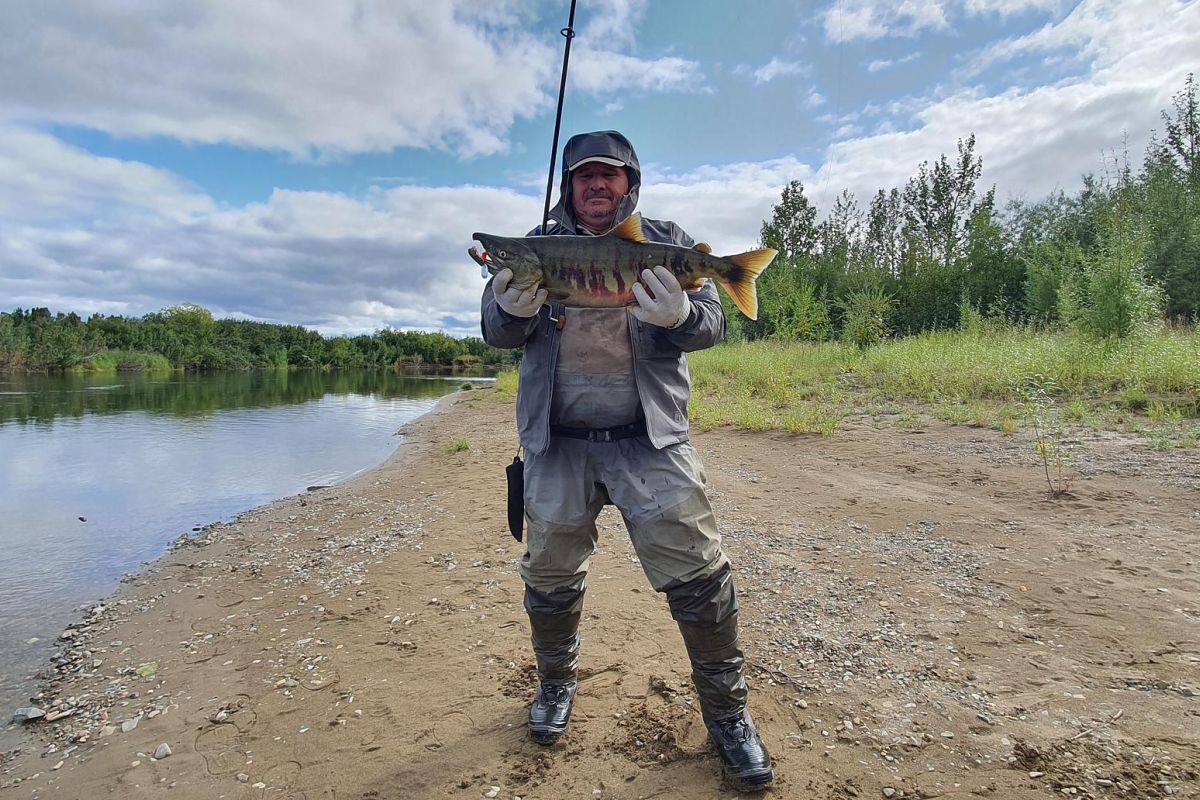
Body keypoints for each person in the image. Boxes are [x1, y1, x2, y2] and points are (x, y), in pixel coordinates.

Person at [480, 130, 773, 791]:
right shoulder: (535, 247)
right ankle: (555, 685)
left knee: (700, 579)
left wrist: (681, 316)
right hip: (558, 442)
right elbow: (496, 332)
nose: (597, 185)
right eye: (584, 176)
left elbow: (712, 325)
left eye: (609, 175)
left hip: (650, 439)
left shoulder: (664, 239)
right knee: (549, 579)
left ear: (628, 182)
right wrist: (507, 308)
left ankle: (729, 717)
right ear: (569, 185)